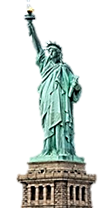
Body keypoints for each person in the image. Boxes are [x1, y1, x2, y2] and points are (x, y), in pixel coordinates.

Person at [27, 19, 83, 163]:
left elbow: (75, 87)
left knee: (60, 124)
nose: (50, 53)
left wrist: (75, 86)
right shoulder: (45, 65)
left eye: (53, 51)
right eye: (50, 51)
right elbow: (38, 48)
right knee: (48, 123)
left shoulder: (64, 68)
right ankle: (49, 149)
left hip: (61, 100)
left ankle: (62, 149)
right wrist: (31, 29)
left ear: (59, 54)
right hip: (47, 98)